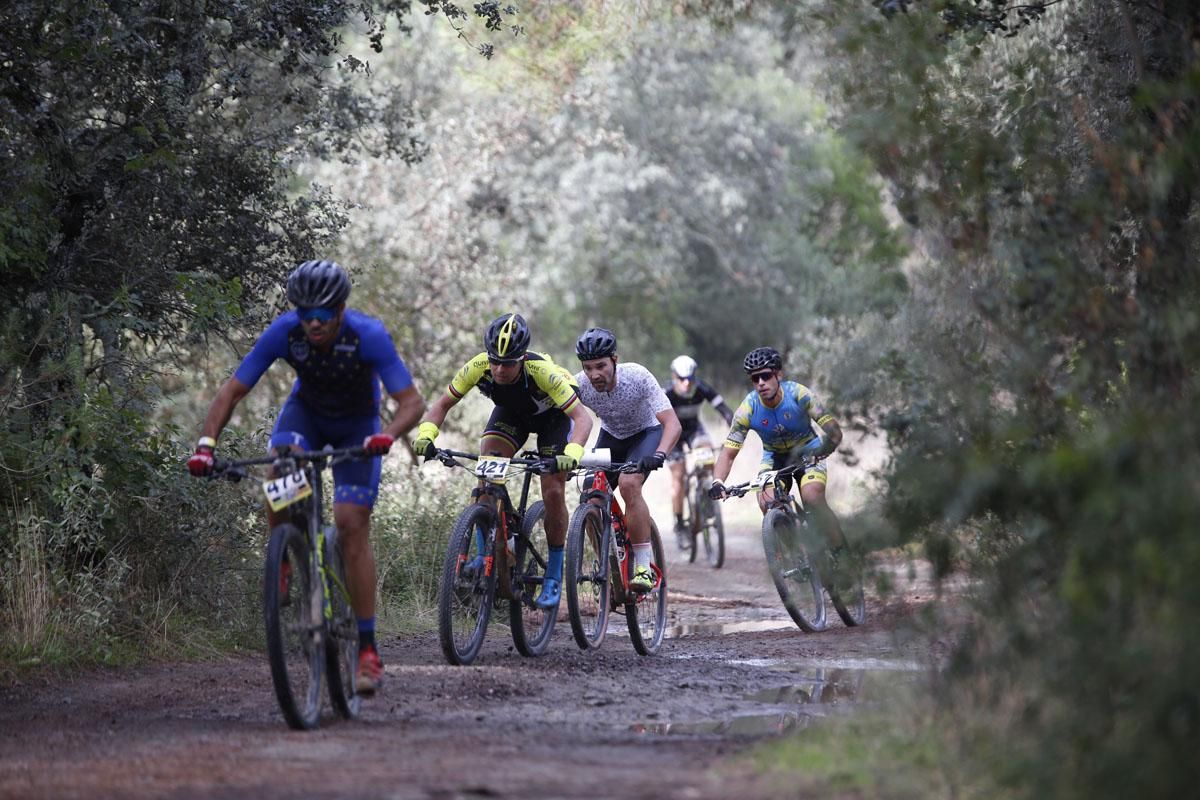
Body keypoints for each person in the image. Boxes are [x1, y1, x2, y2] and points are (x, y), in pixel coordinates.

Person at [187, 259, 426, 696]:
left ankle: (368, 649)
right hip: (307, 417)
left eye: (322, 315)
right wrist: (206, 445)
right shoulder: (285, 331)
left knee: (351, 523)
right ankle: (283, 557)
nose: (313, 324)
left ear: (340, 310)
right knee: (282, 467)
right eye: (305, 314)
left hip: (358, 427)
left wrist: (387, 436)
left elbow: (413, 403)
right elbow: (233, 390)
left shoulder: (367, 335)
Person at [412, 313, 593, 609]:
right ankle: (492, 554)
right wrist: (427, 435)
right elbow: (442, 405)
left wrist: (571, 454)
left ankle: (554, 570)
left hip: (555, 420)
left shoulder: (541, 371)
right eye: (494, 360)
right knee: (486, 478)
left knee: (553, 491)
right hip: (512, 415)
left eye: (507, 363)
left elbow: (582, 420)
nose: (498, 368)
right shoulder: (478, 366)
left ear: (521, 359)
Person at [707, 346, 846, 554]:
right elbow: (727, 454)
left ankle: (841, 554)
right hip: (775, 458)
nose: (761, 383)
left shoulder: (799, 394)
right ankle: (797, 555)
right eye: (755, 379)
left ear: (778, 374)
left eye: (765, 376)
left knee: (812, 498)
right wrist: (717, 482)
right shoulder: (748, 409)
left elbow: (833, 430)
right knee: (765, 500)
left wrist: (827, 446)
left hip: (808, 452)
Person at [574, 327, 682, 592]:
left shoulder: (637, 376)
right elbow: (566, 419)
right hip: (612, 436)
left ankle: (644, 567)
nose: (594, 374)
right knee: (590, 495)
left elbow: (672, 424)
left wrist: (659, 454)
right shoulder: (579, 384)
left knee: (629, 483)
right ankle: (607, 569)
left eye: (601, 366)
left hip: (646, 433)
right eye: (588, 368)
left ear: (615, 359)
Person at [663, 355, 734, 541]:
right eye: (681, 379)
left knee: (707, 455)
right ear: (673, 377)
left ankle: (705, 492)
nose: (686, 383)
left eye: (690, 379)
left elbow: (723, 408)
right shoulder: (666, 393)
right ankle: (679, 523)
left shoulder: (701, 388)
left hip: (694, 429)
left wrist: (730, 421)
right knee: (678, 476)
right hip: (673, 434)